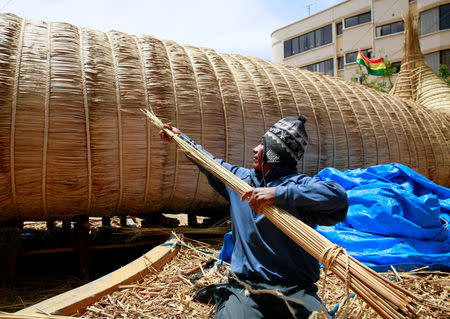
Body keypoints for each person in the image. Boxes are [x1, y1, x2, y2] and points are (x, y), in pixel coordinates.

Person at [159, 115, 348, 319]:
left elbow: (337, 196)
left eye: (262, 144)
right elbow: (208, 162)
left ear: (276, 152)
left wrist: (277, 194)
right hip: (246, 288)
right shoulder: (240, 181)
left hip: (295, 290)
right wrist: (181, 139)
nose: (255, 149)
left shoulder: (299, 186)